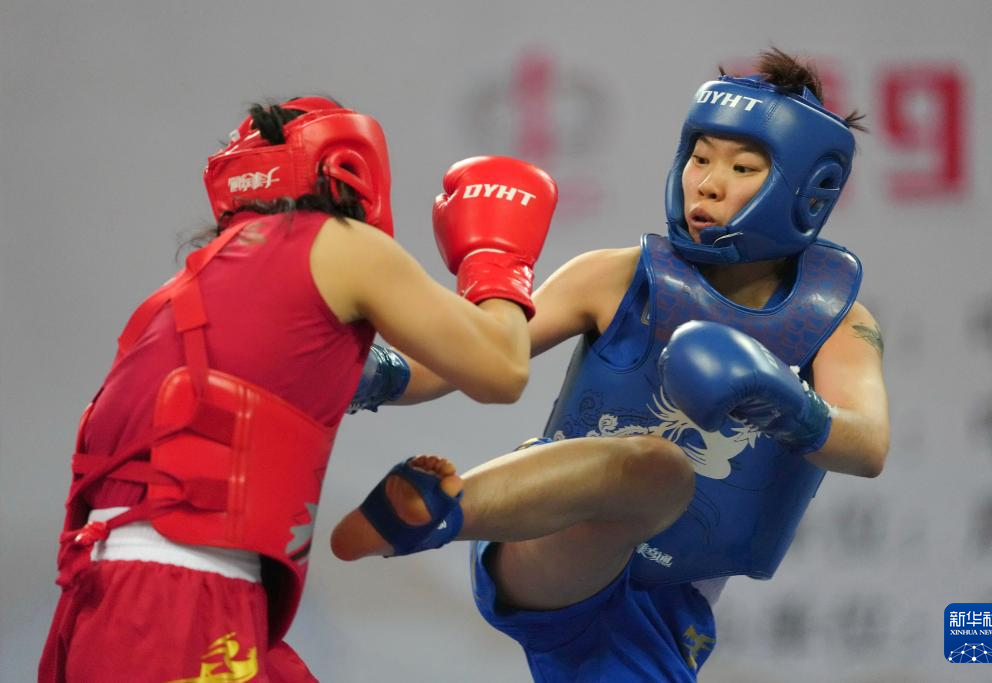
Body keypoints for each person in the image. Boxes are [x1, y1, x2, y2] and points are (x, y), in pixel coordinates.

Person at [334, 48, 889, 682]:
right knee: (655, 467)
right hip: (550, 533)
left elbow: (868, 444)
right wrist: (358, 372)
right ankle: (438, 509)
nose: (707, 183)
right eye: (700, 157)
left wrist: (785, 399)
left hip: (665, 608)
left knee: (660, 483)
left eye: (742, 167)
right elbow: (473, 354)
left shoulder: (833, 321)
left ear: (807, 191)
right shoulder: (618, 277)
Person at [38, 96, 558, 682]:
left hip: (112, 601)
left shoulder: (199, 289)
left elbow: (423, 368)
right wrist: (494, 259)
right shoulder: (337, 242)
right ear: (349, 170)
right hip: (180, 598)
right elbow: (499, 368)